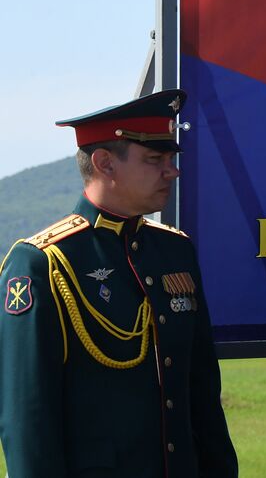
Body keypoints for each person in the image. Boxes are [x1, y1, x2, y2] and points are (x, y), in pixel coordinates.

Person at [0, 90, 237, 477]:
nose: (172, 171)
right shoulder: (42, 262)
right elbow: (28, 417)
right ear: (105, 163)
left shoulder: (174, 250)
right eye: (154, 160)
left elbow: (201, 394)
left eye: (170, 159)